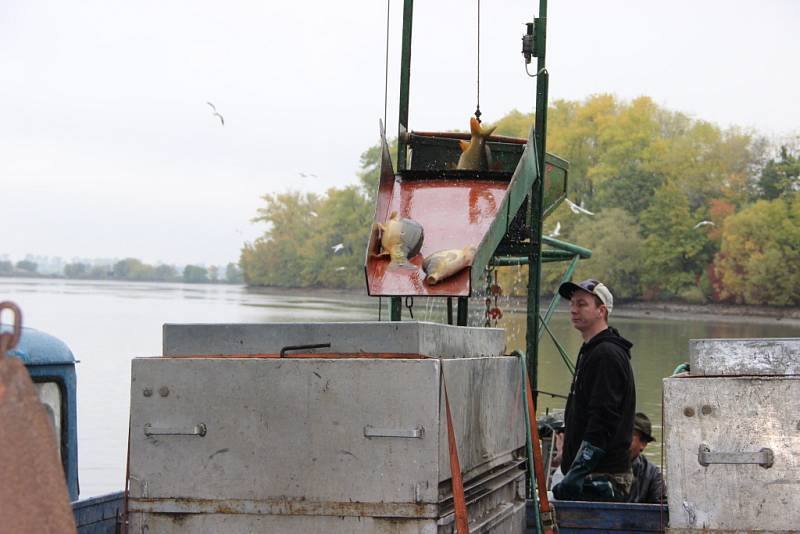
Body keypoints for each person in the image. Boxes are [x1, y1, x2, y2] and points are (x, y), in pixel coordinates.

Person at [552, 279, 636, 502]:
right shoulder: (592, 350)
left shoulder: (606, 354)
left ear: (601, 311)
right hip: (589, 474)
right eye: (571, 304)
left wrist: (577, 473)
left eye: (582, 304)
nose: (573, 310)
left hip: (605, 478)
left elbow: (604, 419)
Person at [628, 412, 666, 504]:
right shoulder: (600, 463)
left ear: (643, 443)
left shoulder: (652, 474)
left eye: (628, 436)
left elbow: (661, 511)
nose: (622, 441)